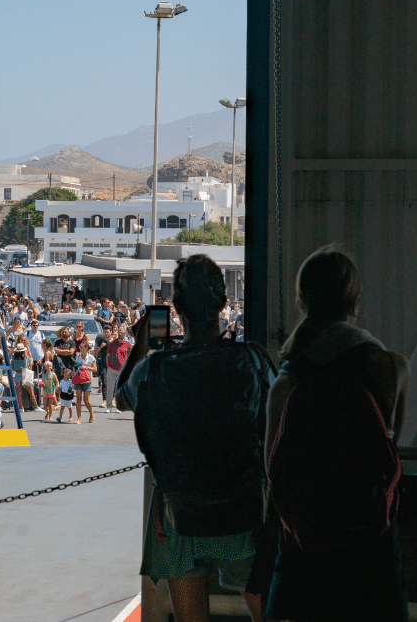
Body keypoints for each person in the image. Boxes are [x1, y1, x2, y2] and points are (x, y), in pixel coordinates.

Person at [116, 255, 274, 622]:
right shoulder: (252, 361)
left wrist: (141, 344)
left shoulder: (155, 368)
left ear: (177, 308)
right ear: (222, 303)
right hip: (244, 508)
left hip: (177, 515)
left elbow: (122, 397)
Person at [262, 248, 409, 622]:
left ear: (303, 302)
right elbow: (391, 449)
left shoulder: (288, 382)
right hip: (372, 542)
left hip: (304, 547)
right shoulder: (392, 367)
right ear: (355, 302)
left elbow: (272, 470)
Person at [102, 327, 133, 414]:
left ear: (125, 334)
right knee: (110, 389)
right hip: (112, 369)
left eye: (122, 332)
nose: (120, 334)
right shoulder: (112, 343)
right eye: (119, 332)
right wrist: (108, 367)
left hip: (122, 370)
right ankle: (109, 406)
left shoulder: (128, 345)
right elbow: (108, 356)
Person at [72, 340, 96, 423]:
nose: (80, 348)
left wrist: (86, 367)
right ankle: (79, 418)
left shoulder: (91, 357)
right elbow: (75, 367)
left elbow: (95, 369)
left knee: (86, 400)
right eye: (80, 347)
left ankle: (91, 413)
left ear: (86, 348)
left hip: (87, 380)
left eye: (82, 347)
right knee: (78, 399)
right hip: (78, 379)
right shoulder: (77, 357)